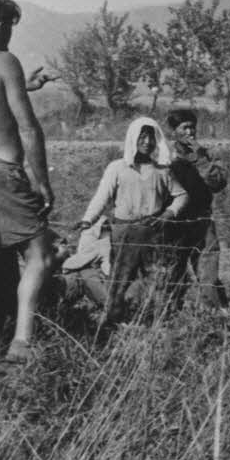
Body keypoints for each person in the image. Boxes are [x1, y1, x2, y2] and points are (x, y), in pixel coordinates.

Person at [0, 0, 55, 361]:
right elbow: (28, 129)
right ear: (0, 25)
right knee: (40, 252)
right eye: (9, 26)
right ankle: (22, 342)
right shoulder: (4, 61)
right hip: (1, 174)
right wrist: (42, 181)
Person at [78, 117, 190, 326]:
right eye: (142, 136)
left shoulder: (162, 170)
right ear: (132, 139)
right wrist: (87, 220)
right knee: (119, 278)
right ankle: (112, 321)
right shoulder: (118, 168)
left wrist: (168, 214)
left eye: (151, 137)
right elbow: (102, 197)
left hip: (153, 231)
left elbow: (182, 195)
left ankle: (158, 323)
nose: (147, 142)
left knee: (156, 279)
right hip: (124, 232)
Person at [163, 108, 228, 309]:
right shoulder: (165, 156)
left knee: (208, 269)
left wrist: (200, 159)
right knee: (175, 269)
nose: (190, 132)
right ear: (174, 131)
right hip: (177, 221)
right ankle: (170, 311)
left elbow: (217, 184)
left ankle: (215, 314)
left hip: (202, 220)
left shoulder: (206, 154)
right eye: (185, 128)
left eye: (193, 128)